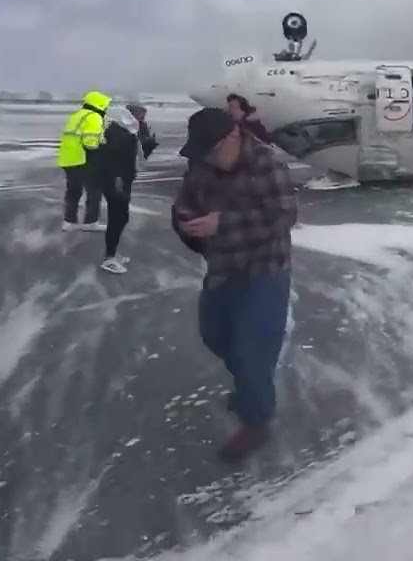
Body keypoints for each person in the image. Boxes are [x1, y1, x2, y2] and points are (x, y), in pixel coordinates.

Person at [171, 107, 298, 464]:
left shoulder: (268, 165)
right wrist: (184, 221)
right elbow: (185, 200)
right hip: (223, 267)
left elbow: (283, 216)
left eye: (212, 152)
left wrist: (222, 223)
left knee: (251, 350)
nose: (207, 161)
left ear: (234, 137)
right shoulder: (202, 164)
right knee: (214, 335)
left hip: (264, 271)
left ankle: (256, 421)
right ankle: (249, 385)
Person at [92, 105, 142, 274]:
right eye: (139, 114)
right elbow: (113, 160)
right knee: (118, 217)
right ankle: (109, 258)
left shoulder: (122, 131)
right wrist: (118, 180)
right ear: (129, 115)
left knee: (121, 217)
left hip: (119, 180)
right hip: (116, 182)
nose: (141, 118)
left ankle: (112, 253)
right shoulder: (117, 134)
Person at [57, 91, 110, 233]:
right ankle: (90, 222)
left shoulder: (76, 116)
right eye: (105, 106)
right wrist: (103, 147)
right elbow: (90, 142)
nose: (106, 109)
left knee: (73, 191)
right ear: (99, 105)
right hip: (83, 159)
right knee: (94, 191)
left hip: (68, 159)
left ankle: (69, 222)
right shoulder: (93, 117)